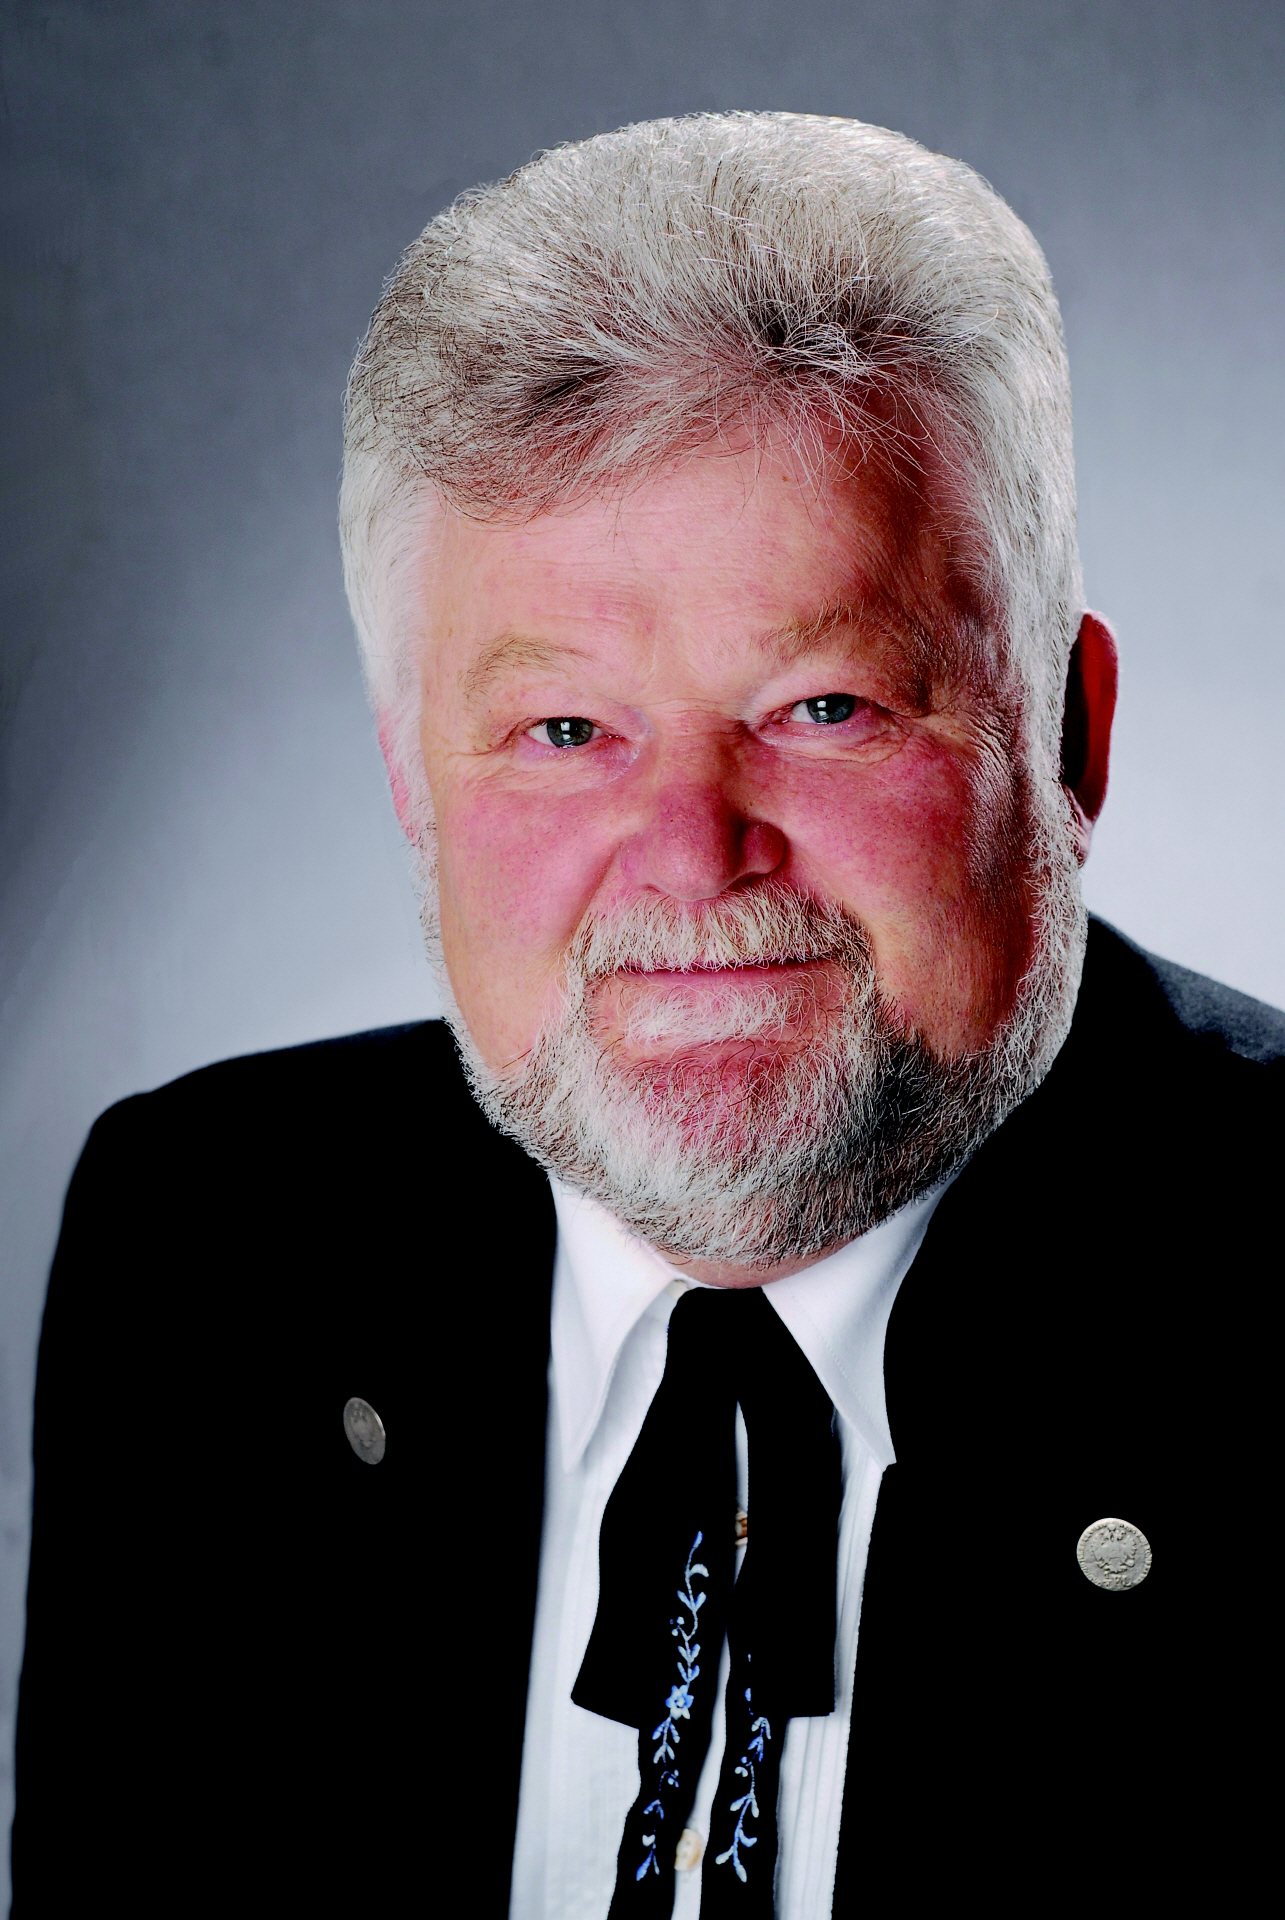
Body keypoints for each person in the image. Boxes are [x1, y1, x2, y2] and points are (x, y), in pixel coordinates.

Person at [13, 112, 1281, 1917]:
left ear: (1067, 733)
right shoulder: (208, 1244)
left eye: (825, 706)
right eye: (563, 730)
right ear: (411, 781)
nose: (692, 857)